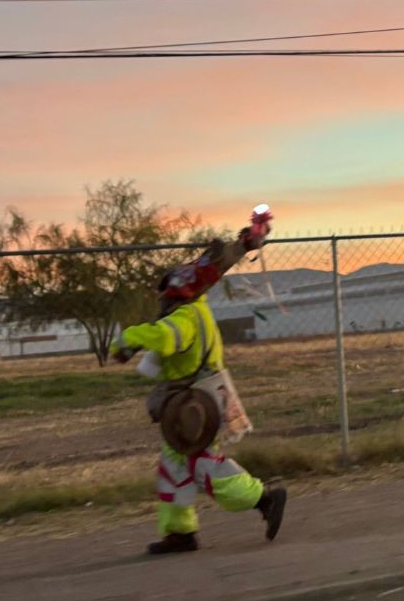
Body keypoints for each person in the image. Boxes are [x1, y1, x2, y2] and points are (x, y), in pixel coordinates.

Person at [114, 229, 287, 555]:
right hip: (190, 401)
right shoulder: (195, 310)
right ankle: (180, 533)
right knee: (173, 468)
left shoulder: (186, 317)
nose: (162, 298)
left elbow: (164, 337)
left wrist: (126, 339)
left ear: (176, 291)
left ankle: (264, 499)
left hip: (197, 404)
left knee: (203, 466)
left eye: (165, 293)